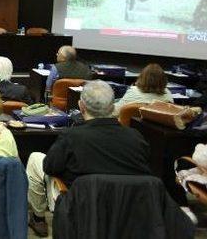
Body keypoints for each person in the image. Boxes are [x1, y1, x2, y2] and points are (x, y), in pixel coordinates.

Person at [25, 81, 150, 237]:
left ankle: (38, 219)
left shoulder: (71, 136)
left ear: (81, 106)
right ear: (113, 107)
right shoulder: (136, 137)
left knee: (35, 158)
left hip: (79, 207)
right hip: (127, 211)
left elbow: (50, 167)